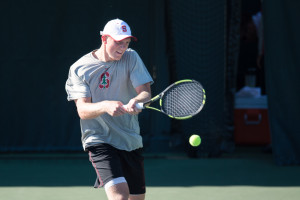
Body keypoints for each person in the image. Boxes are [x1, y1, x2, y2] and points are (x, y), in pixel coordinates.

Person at [65, 18, 153, 200]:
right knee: (120, 196)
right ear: (105, 39)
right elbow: (82, 110)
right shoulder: (79, 68)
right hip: (99, 140)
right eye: (118, 42)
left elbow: (145, 93)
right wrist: (106, 106)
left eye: (126, 43)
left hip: (130, 139)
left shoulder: (132, 57)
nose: (123, 47)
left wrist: (135, 102)